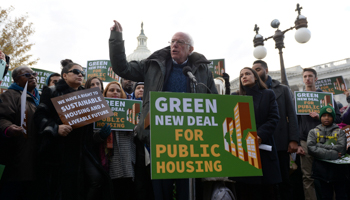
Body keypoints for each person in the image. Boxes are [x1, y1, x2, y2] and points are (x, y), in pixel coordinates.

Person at [109, 20, 217, 200]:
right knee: (161, 191)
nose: (174, 45)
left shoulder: (202, 70)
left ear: (190, 49)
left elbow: (212, 100)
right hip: (159, 137)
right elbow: (122, 68)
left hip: (190, 138)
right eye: (172, 42)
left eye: (180, 42)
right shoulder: (152, 65)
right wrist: (116, 39)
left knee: (187, 190)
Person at [33, 59, 113, 200]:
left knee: (97, 179)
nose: (80, 74)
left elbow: (90, 126)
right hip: (59, 149)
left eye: (82, 72)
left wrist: (99, 135)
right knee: (63, 189)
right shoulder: (52, 91)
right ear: (65, 75)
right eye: (76, 71)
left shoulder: (87, 95)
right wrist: (56, 128)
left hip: (83, 149)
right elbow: (39, 115)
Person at [231, 67, 281, 200]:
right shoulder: (235, 97)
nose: (244, 77)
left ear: (255, 77)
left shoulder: (268, 94)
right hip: (243, 150)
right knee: (246, 191)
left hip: (263, 147)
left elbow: (274, 118)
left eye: (247, 74)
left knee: (267, 191)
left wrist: (259, 135)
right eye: (241, 75)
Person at [252, 60, 299, 199]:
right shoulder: (254, 91)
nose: (256, 72)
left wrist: (293, 140)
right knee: (268, 182)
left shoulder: (282, 89)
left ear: (266, 70)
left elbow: (291, 114)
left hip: (280, 142)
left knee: (284, 180)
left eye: (258, 69)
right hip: (262, 143)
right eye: (254, 70)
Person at [296, 68, 341, 200]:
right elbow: (295, 123)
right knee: (307, 176)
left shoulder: (327, 97)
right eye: (305, 76)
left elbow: (338, 119)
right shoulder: (298, 99)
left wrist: (321, 117)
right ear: (303, 79)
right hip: (306, 141)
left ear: (316, 79)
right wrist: (298, 143)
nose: (307, 79)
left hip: (326, 141)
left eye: (310, 76)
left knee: (329, 176)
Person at [0, 66, 39, 199]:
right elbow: (2, 118)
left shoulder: (40, 98)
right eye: (27, 75)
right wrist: (8, 128)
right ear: (16, 80)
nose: (32, 77)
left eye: (34, 74)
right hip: (19, 155)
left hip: (37, 156)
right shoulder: (9, 96)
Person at [103, 81, 136, 200]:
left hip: (128, 160)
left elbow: (136, 135)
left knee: (127, 191)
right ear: (105, 93)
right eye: (111, 90)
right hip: (109, 160)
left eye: (118, 90)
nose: (115, 92)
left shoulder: (131, 109)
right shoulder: (99, 110)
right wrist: (100, 135)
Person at [307, 105, 348, 199]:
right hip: (320, 173)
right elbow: (311, 149)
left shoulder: (340, 132)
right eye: (324, 115)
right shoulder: (313, 132)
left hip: (338, 173)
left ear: (333, 117)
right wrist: (332, 154)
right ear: (320, 116)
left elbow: (341, 149)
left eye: (329, 115)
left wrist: (319, 146)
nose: (326, 118)